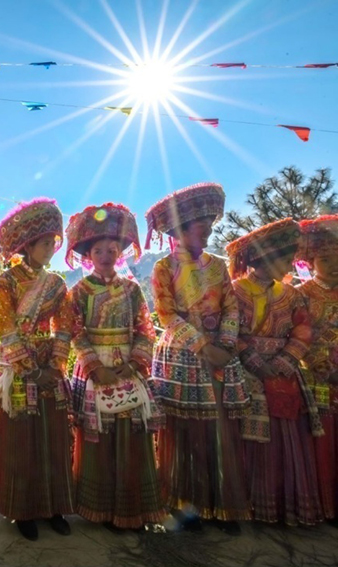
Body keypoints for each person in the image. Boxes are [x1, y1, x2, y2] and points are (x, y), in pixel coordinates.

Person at [145, 182, 251, 535]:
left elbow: (232, 307)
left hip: (220, 354)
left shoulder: (219, 266)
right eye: (201, 228)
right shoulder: (163, 267)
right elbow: (166, 314)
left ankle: (220, 506)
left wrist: (226, 343)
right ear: (180, 230)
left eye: (210, 228)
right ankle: (184, 506)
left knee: (219, 434)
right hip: (183, 356)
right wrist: (203, 347)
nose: (207, 234)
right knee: (185, 435)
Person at [65, 203, 165, 532]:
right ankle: (101, 509)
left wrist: (135, 364)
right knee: (99, 438)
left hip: (127, 368)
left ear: (120, 252)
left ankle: (131, 508)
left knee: (132, 433)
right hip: (95, 371)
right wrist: (96, 368)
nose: (106, 255)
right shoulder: (79, 291)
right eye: (98, 250)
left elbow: (145, 330)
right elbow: (75, 332)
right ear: (88, 255)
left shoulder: (132, 289)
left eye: (112, 249)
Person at [0, 198, 74, 541]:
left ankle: (53, 507)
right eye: (44, 242)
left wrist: (55, 365)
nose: (51, 248)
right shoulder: (6, 281)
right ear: (28, 246)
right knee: (22, 440)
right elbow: (5, 328)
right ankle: (23, 511)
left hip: (49, 365)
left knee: (53, 437)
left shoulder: (57, 285)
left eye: (53, 242)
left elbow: (64, 328)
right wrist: (28, 367)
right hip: (18, 366)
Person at [227, 218, 323, 526]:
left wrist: (284, 362)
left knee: (287, 435)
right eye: (284, 259)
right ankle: (251, 504)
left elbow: (303, 331)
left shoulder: (292, 295)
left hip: (284, 372)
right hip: (246, 371)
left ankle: (284, 505)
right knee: (250, 435)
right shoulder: (235, 292)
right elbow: (234, 332)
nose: (288, 265)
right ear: (264, 260)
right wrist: (255, 361)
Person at [297, 215, 338, 526]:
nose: (333, 264)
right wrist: (319, 364)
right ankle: (324, 502)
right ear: (311, 261)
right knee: (321, 432)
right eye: (325, 258)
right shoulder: (303, 293)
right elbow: (299, 335)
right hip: (315, 371)